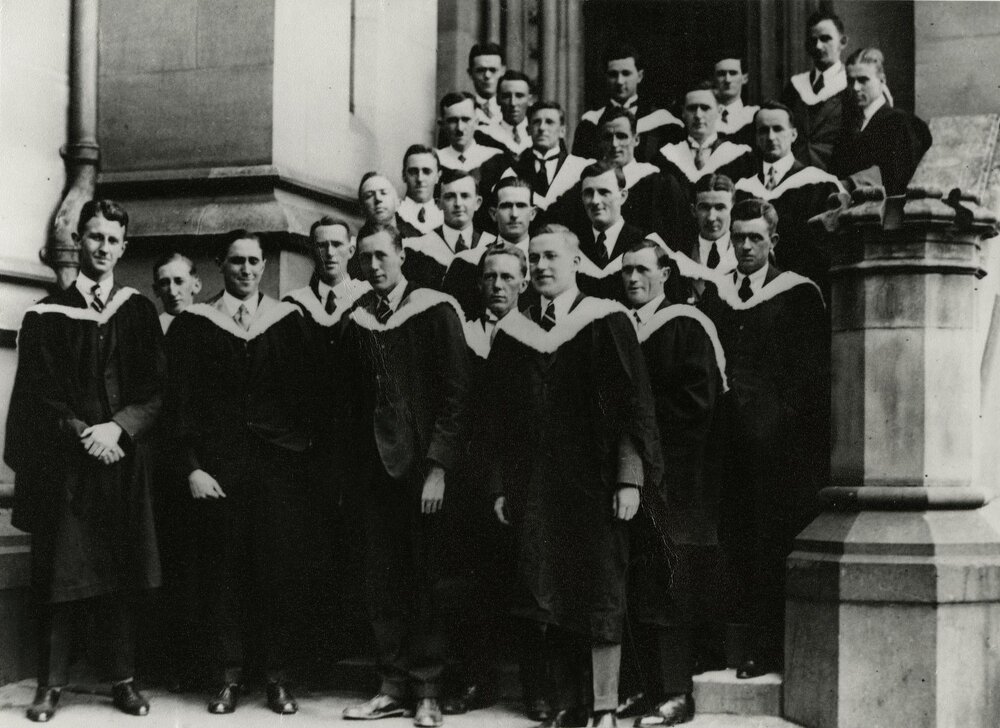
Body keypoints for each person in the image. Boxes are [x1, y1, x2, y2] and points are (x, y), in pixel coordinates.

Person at [481, 224, 661, 728]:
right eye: (533, 258)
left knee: (600, 591)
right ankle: (567, 703)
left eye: (551, 257)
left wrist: (630, 477)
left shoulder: (607, 320)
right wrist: (498, 485)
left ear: (577, 262)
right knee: (549, 594)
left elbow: (633, 405)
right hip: (537, 487)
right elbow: (496, 416)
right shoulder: (514, 331)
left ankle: (603, 706)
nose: (540, 266)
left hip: (597, 483)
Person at [5, 199, 164, 722]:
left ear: (124, 246)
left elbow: (157, 390)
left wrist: (118, 427)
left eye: (112, 238)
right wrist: (83, 433)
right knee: (61, 576)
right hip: (69, 467)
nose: (102, 247)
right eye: (93, 236)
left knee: (120, 570)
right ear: (80, 240)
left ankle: (123, 680)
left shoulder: (138, 311)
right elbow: (37, 395)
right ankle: (50, 687)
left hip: (121, 460)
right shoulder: (48, 314)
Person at [168, 230, 312, 715]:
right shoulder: (194, 324)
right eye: (236, 262)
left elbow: (307, 402)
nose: (246, 270)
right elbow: (179, 404)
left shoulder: (289, 322)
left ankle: (277, 678)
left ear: (266, 265)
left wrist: (296, 458)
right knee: (222, 574)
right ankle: (227, 677)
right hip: (220, 470)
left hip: (277, 470)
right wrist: (191, 467)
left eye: (254, 261)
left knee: (277, 573)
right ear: (218, 265)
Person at [340, 225, 469, 728]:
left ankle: (428, 691)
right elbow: (351, 405)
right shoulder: (360, 320)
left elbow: (457, 398)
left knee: (426, 581)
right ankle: (390, 686)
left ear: (402, 256)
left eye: (382, 256)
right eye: (365, 257)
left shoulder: (435, 310)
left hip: (423, 475)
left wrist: (438, 469)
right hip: (375, 475)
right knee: (382, 582)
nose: (374, 266)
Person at [701, 200, 828, 680]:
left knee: (767, 542)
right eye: (739, 238)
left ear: (773, 240)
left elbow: (811, 380)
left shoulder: (797, 293)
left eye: (756, 237)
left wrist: (773, 423)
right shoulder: (718, 295)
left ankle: (765, 648)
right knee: (728, 541)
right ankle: (727, 645)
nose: (747, 246)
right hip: (725, 442)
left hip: (778, 450)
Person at [618, 239, 726, 727]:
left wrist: (641, 437)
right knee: (639, 579)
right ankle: (645, 688)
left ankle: (676, 692)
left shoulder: (686, 325)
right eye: (627, 271)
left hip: (679, 479)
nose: (633, 278)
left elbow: (698, 405)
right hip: (631, 476)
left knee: (672, 583)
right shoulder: (619, 326)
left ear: (665, 273)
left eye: (643, 269)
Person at [441, 243, 532, 716]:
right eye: (489, 277)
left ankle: (537, 687)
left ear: (524, 281)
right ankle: (477, 679)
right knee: (470, 584)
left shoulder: (537, 334)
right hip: (466, 480)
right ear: (478, 284)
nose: (497, 286)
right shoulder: (461, 334)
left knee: (526, 580)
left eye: (507, 277)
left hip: (519, 478)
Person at [734, 101, 844, 287]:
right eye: (763, 130)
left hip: (804, 286)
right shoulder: (744, 189)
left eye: (778, 129)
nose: (770, 137)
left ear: (793, 134)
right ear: (755, 137)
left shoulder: (819, 184)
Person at [478, 101, 593, 234]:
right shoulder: (512, 171)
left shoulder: (580, 167)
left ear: (562, 131)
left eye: (549, 122)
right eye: (537, 122)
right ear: (528, 130)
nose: (542, 128)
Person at [830, 48, 932, 196]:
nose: (856, 87)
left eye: (863, 80)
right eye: (851, 81)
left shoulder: (900, 123)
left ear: (882, 80)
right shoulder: (849, 127)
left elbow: (897, 179)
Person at [572, 43, 683, 163]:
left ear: (640, 76)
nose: (619, 81)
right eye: (613, 74)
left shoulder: (662, 122)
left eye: (626, 73)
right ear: (605, 77)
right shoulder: (590, 124)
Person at [780, 9, 851, 170]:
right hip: (795, 173)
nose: (818, 46)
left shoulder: (853, 85)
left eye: (826, 39)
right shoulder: (795, 86)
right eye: (813, 41)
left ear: (843, 42)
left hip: (837, 174)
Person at [657, 173, 739, 307]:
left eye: (720, 207)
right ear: (693, 210)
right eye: (704, 207)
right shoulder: (678, 254)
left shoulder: (744, 252)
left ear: (732, 209)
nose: (712, 217)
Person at [573, 161, 646, 303]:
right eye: (588, 193)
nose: (595, 201)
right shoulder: (573, 244)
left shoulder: (643, 242)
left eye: (604, 192)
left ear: (623, 196)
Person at [437, 170, 499, 316]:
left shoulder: (492, 244)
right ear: (438, 203)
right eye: (450, 196)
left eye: (465, 196)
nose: (458, 204)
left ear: (478, 203)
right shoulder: (422, 247)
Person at [437, 92, 503, 175]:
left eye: (466, 119)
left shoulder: (495, 158)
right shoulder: (435, 160)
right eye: (453, 121)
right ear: (442, 124)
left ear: (476, 122)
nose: (460, 128)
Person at [476, 71, 534, 160]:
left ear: (530, 100)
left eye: (519, 96)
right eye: (506, 96)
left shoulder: (540, 134)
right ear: (497, 100)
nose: (513, 103)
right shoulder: (484, 134)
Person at [398, 145, 445, 235]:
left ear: (438, 176)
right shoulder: (393, 215)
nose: (420, 179)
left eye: (427, 171)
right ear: (404, 176)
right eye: (413, 172)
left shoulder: (448, 216)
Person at [714, 56, 759, 147]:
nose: (727, 80)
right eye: (721, 74)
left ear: (744, 78)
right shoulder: (704, 116)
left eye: (733, 73)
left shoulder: (754, 115)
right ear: (714, 79)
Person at [152, 252, 201, 333]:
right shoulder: (151, 332)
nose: (173, 292)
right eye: (164, 283)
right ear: (156, 290)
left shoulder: (215, 327)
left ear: (196, 285)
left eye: (179, 281)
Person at [467, 42, 506, 128]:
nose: (487, 76)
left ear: (503, 71)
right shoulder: (462, 110)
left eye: (493, 70)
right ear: (470, 73)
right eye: (480, 70)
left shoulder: (513, 109)